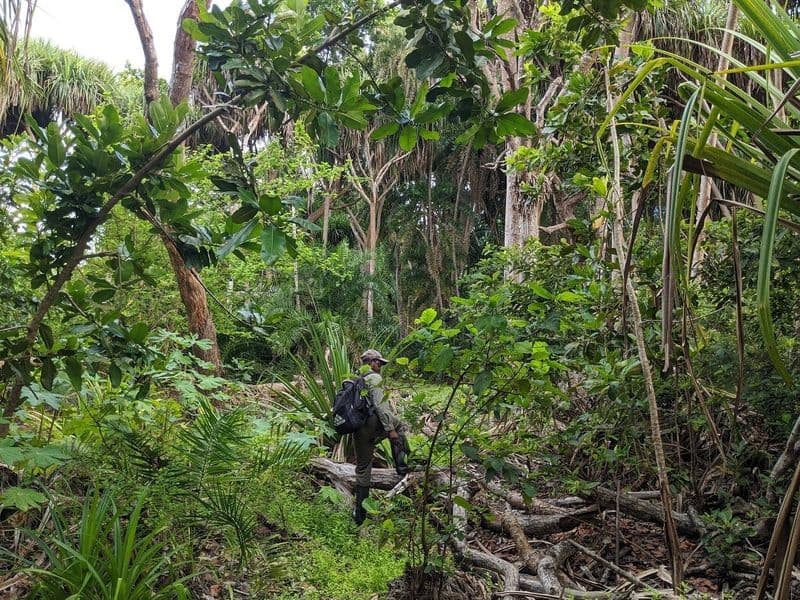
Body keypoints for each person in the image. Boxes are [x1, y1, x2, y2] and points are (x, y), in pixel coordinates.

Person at [352, 348, 410, 525]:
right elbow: (381, 405)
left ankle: (359, 514)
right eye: (379, 363)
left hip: (359, 427)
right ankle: (403, 468)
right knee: (399, 425)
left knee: (363, 467)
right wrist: (390, 429)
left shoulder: (357, 380)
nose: (380, 366)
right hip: (372, 423)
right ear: (372, 363)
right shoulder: (374, 378)